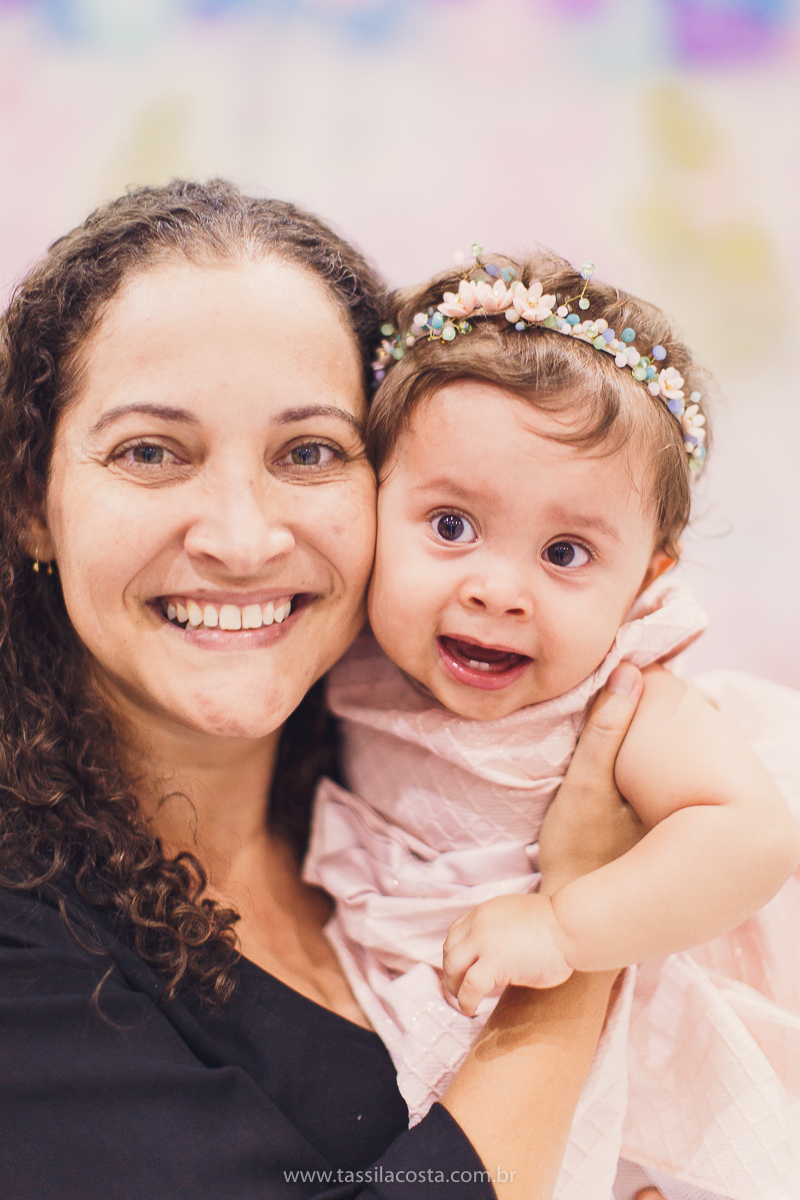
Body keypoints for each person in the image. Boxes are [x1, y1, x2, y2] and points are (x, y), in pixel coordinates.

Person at [0, 180, 661, 1200]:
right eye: (148, 452)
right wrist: (575, 956)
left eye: (308, 453)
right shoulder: (24, 928)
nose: (241, 537)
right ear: (30, 502)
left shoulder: (431, 781)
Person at [303, 251, 800, 1199]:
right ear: (372, 507)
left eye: (566, 552)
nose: (497, 589)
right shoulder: (355, 652)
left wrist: (570, 925)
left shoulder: (620, 701)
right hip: (437, 1033)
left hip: (627, 1057)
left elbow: (752, 835)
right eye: (450, 526)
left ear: (647, 581)